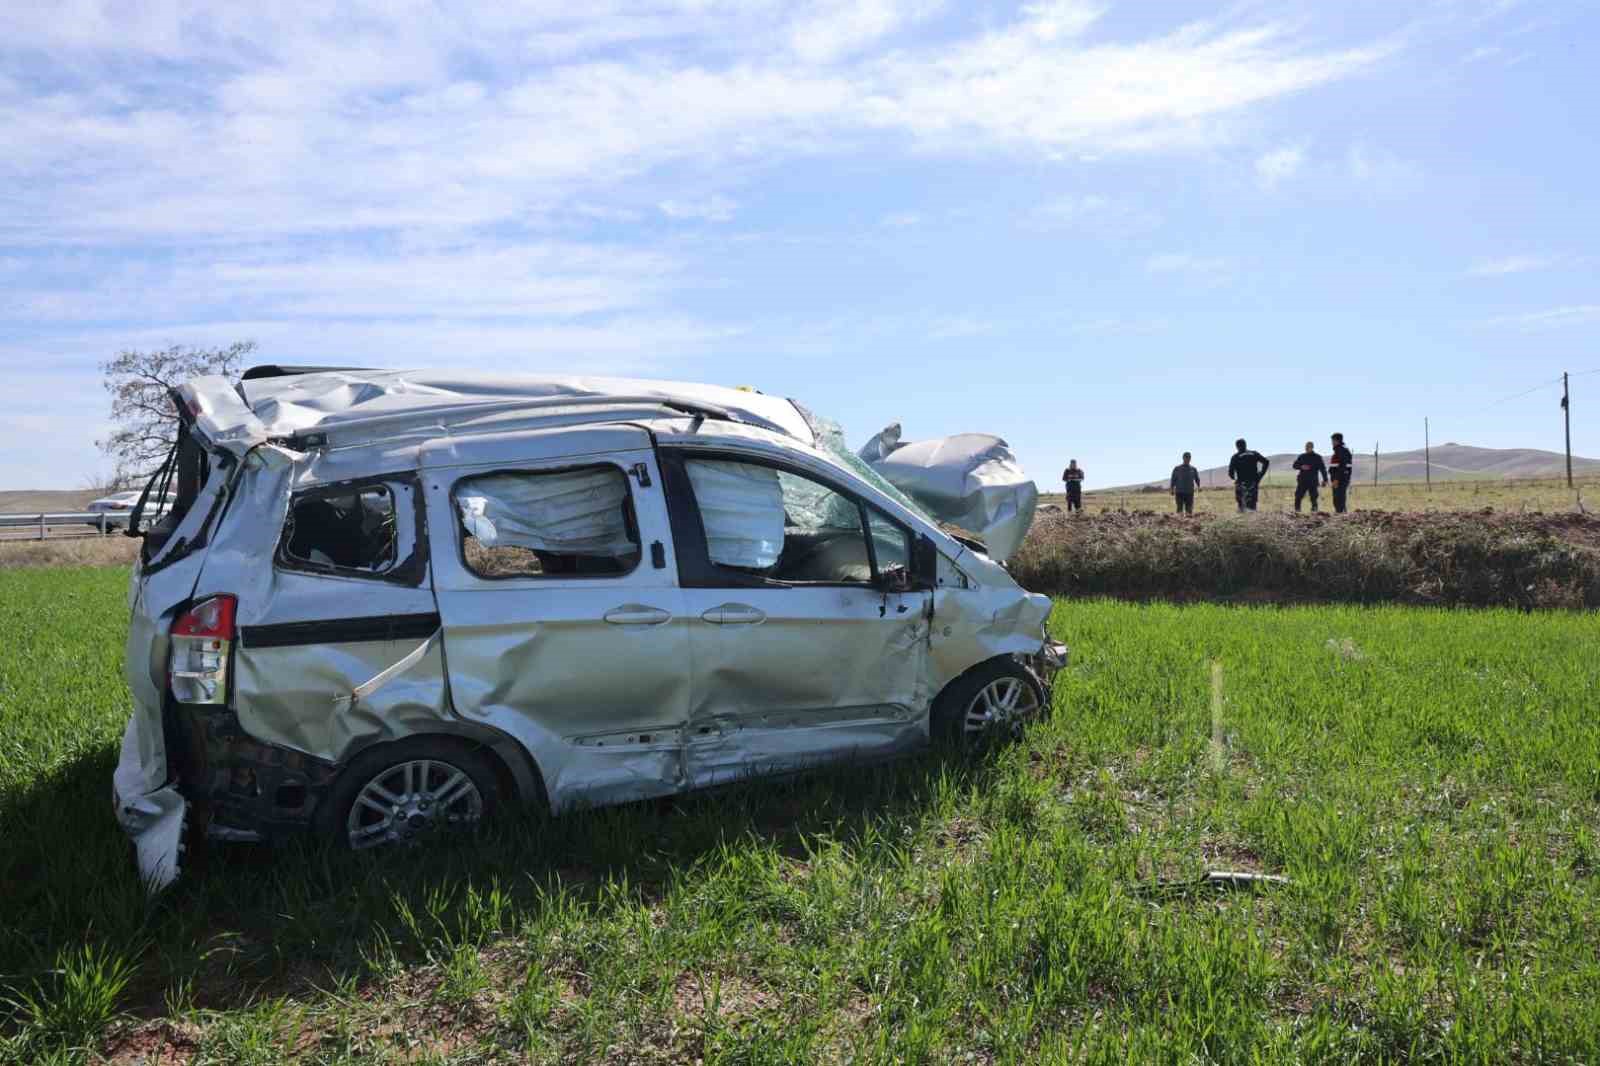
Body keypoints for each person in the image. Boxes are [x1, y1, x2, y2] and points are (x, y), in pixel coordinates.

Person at [1227, 438, 1270, 512]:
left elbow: (1231, 473)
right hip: (1253, 481)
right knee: (1252, 503)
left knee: (1241, 504)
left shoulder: (1235, 457)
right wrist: (1261, 475)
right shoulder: (1254, 453)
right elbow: (1266, 462)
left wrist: (1234, 479)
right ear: (1245, 445)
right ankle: (1253, 519)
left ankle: (1244, 520)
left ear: (1237, 446)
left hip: (1241, 482)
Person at [1291, 441, 1328, 513]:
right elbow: (1294, 466)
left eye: (1308, 447)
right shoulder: (1302, 456)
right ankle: (1297, 511)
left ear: (1312, 447)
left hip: (1313, 481)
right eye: (1306, 447)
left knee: (1314, 497)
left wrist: (1325, 479)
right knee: (1298, 496)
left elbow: (1323, 469)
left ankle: (1314, 512)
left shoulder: (1317, 457)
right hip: (1302, 480)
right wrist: (1301, 467)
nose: (1306, 448)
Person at [1328, 432, 1354, 514]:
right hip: (1341, 477)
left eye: (1332, 440)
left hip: (1340, 478)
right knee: (1339, 497)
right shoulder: (1341, 450)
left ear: (1336, 440)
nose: (1331, 442)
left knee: (1339, 497)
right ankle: (1341, 513)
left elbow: (1342, 466)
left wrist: (1336, 479)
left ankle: (1340, 514)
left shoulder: (1341, 450)